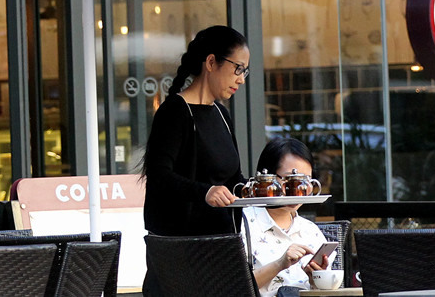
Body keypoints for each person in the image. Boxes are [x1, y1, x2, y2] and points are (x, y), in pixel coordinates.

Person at [140, 25, 250, 294]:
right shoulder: (174, 112)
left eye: (245, 71)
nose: (242, 79)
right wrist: (205, 192)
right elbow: (159, 176)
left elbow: (233, 180)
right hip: (181, 254)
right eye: (238, 68)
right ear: (211, 62)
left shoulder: (222, 115)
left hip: (221, 248)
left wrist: (270, 192)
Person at [242, 138, 335, 297]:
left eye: (304, 180)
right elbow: (229, 287)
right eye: (288, 179)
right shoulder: (242, 225)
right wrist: (279, 264)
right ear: (267, 179)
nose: (297, 188)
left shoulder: (311, 231)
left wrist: (316, 280)